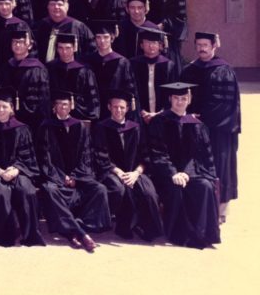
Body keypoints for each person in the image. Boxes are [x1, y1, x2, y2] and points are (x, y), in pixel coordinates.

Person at [146, 81, 221, 248]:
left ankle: (202, 234)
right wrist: (173, 173)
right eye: (176, 98)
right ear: (170, 99)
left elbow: (202, 156)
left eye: (183, 98)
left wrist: (187, 173)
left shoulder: (198, 125)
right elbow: (157, 152)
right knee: (176, 188)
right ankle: (179, 234)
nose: (180, 102)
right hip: (165, 174)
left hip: (192, 173)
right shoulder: (159, 121)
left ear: (190, 99)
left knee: (205, 186)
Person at [35, 90, 110, 252]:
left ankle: (74, 229)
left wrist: (76, 177)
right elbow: (44, 159)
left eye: (65, 104)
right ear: (53, 107)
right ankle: (80, 233)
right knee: (49, 189)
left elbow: (86, 155)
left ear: (71, 106)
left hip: (79, 177)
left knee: (99, 189)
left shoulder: (80, 126)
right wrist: (62, 178)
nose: (62, 107)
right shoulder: (46, 127)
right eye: (59, 104)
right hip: (55, 178)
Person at [181, 31, 240, 221]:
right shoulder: (189, 70)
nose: (202, 49)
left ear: (214, 45)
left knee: (220, 166)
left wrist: (202, 119)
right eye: (198, 45)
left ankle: (220, 210)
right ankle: (195, 206)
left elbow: (225, 104)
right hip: (192, 127)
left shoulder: (224, 71)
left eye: (205, 45)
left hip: (218, 130)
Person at [0, 86, 45, 247]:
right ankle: (5, 234)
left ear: (11, 108)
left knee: (26, 190)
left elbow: (27, 156)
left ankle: (30, 235)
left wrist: (16, 169)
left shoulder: (22, 129)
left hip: (17, 170)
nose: (1, 110)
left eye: (4, 107)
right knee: (0, 191)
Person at [92, 89, 163, 241]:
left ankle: (146, 228)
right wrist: (119, 173)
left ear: (127, 108)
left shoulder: (136, 127)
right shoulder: (101, 127)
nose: (119, 110)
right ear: (109, 107)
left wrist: (136, 173)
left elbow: (145, 154)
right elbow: (100, 156)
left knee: (148, 193)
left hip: (135, 172)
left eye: (122, 107)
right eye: (115, 107)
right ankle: (125, 226)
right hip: (111, 171)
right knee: (120, 189)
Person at [0, 27, 50, 133]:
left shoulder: (37, 69)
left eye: (21, 42)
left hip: (31, 121)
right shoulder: (6, 67)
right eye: (14, 42)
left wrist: (19, 112)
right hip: (5, 118)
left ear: (29, 45)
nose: (17, 45)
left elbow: (41, 102)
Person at [85, 20, 133, 119]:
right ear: (94, 39)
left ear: (112, 38)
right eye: (98, 37)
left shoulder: (122, 62)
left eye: (106, 37)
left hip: (115, 110)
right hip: (92, 109)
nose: (102, 41)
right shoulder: (88, 61)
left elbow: (129, 89)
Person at [45, 33, 99, 121]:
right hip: (54, 115)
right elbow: (46, 95)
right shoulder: (50, 68)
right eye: (61, 48)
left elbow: (92, 99)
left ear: (74, 48)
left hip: (79, 116)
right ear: (57, 49)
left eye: (68, 48)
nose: (64, 52)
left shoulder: (85, 70)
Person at [130, 26, 178, 124]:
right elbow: (131, 89)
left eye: (154, 43)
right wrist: (141, 111)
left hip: (163, 116)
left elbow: (173, 92)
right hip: (139, 116)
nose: (151, 46)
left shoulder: (169, 65)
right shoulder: (133, 64)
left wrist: (159, 113)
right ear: (142, 45)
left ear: (160, 45)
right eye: (147, 42)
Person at [33, 0, 94, 64]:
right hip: (44, 71)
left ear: (67, 6)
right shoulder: (41, 25)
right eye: (52, 4)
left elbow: (91, 50)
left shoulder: (78, 27)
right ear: (47, 7)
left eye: (60, 4)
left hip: (70, 71)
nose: (56, 7)